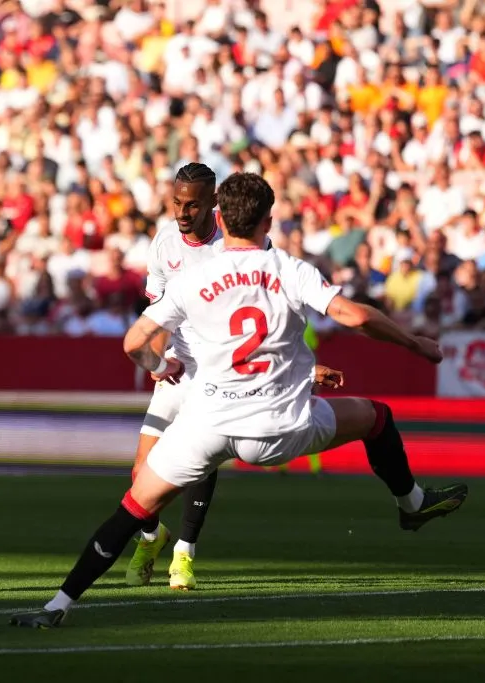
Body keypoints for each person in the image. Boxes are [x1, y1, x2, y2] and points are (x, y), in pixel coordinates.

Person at [11, 173, 466, 629]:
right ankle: (412, 505)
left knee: (133, 507)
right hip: (281, 428)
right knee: (376, 417)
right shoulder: (289, 269)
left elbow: (134, 341)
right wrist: (413, 343)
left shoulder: (193, 278)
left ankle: (57, 607)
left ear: (220, 218)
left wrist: (157, 364)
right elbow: (354, 316)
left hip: (209, 424)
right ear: (268, 220)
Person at [127, 163, 341, 590]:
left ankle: (184, 554)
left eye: (192, 205)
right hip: (176, 368)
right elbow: (155, 310)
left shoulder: (237, 250)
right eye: (176, 203)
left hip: (219, 372)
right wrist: (159, 360)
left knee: (199, 461)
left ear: (215, 207)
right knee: (140, 475)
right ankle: (153, 538)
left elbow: (268, 316)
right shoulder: (164, 243)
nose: (183, 213)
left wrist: (300, 366)